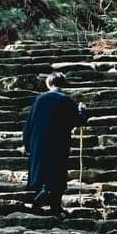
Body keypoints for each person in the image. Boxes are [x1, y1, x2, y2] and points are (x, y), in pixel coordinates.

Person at [21, 72, 86, 221]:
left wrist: (27, 144)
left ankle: (42, 191)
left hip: (38, 141)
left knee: (41, 169)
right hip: (59, 141)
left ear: (48, 84)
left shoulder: (39, 99)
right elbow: (78, 120)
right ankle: (55, 207)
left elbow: (28, 123)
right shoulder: (66, 100)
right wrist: (82, 110)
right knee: (57, 171)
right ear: (63, 84)